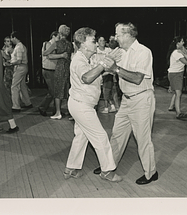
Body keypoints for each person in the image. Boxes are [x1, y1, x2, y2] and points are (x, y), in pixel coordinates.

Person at [94, 22, 158, 185]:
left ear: (130, 35)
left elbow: (137, 78)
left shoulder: (143, 52)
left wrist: (115, 68)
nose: (116, 37)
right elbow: (107, 67)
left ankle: (151, 172)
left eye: (119, 34)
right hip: (127, 100)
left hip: (142, 99)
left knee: (142, 138)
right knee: (117, 134)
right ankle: (108, 166)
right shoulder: (120, 51)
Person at [64, 27, 122, 182]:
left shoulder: (85, 58)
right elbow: (87, 78)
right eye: (93, 41)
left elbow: (93, 74)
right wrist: (103, 65)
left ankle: (71, 169)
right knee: (101, 136)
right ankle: (107, 171)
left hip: (80, 104)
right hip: (82, 106)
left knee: (81, 137)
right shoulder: (79, 60)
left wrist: (106, 70)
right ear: (83, 44)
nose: (96, 44)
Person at [43, 25, 74, 120]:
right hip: (68, 67)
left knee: (58, 90)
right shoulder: (70, 44)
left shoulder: (57, 43)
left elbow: (45, 53)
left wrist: (58, 55)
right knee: (68, 89)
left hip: (60, 67)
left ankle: (58, 112)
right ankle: (71, 112)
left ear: (60, 33)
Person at [37, 31, 60, 116]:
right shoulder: (47, 44)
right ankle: (43, 107)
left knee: (54, 91)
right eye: (58, 37)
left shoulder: (55, 45)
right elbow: (48, 55)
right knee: (53, 91)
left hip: (53, 70)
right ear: (53, 36)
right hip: (48, 70)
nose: (59, 39)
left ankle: (55, 110)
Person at [166, 36, 187, 119]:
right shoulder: (176, 53)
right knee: (178, 94)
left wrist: (184, 51)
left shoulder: (179, 51)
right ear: (177, 43)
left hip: (177, 74)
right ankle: (178, 113)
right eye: (182, 41)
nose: (183, 43)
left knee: (177, 93)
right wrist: (184, 53)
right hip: (175, 74)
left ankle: (172, 106)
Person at [10, 31, 33, 112]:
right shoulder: (21, 46)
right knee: (22, 85)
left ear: (14, 38)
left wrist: (11, 62)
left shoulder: (19, 47)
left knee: (14, 86)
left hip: (20, 67)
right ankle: (27, 102)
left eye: (11, 38)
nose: (11, 40)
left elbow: (19, 61)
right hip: (23, 67)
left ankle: (16, 106)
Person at [96, 36, 117, 113]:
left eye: (103, 40)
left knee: (107, 90)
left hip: (108, 73)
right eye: (100, 40)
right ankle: (110, 106)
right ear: (97, 42)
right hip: (98, 72)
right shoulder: (95, 50)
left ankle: (107, 107)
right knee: (99, 91)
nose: (102, 42)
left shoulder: (109, 50)